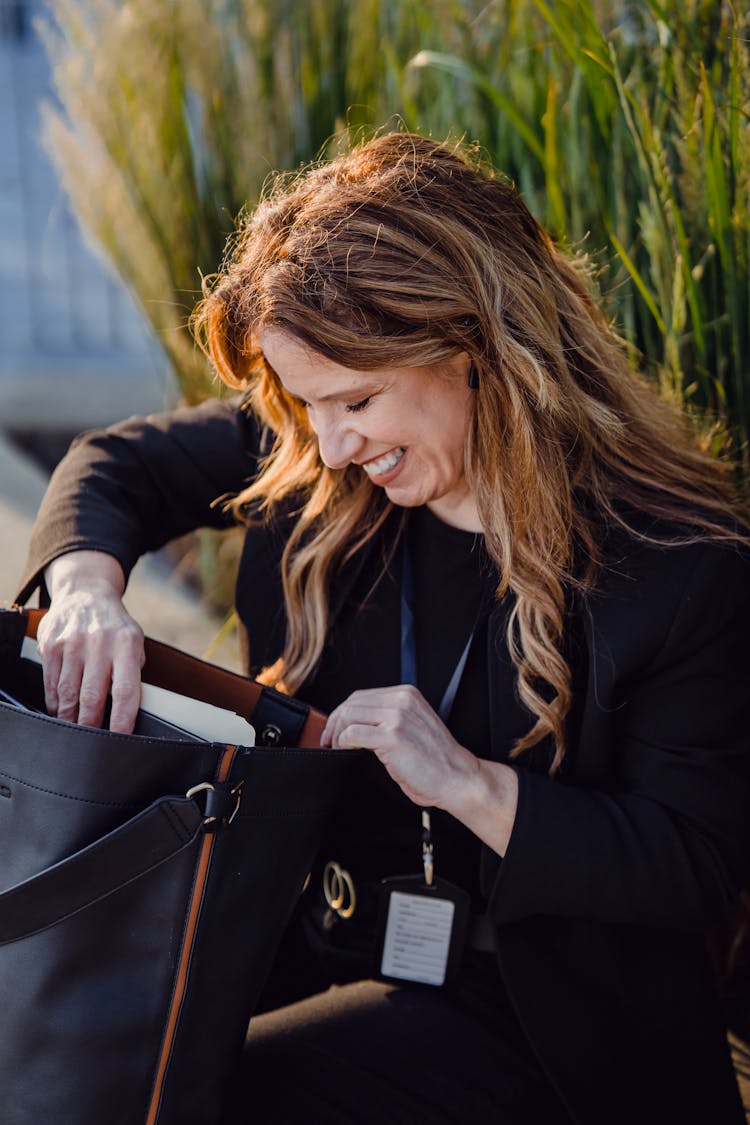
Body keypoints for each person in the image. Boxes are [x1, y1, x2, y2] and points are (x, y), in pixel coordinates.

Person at [17, 132, 750, 1125]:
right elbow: (116, 466)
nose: (330, 442)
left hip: (543, 1029)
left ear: (475, 350)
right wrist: (86, 591)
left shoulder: (678, 564)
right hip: (311, 943)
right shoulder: (327, 462)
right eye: (308, 404)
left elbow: (693, 866)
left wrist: (469, 785)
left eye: (357, 399)